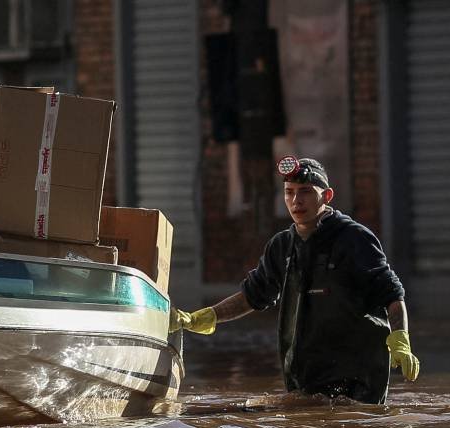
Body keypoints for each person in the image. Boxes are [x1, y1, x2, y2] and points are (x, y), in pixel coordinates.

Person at [170, 156, 419, 404]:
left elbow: (392, 295)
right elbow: (252, 296)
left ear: (327, 196)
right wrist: (202, 317)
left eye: (306, 192)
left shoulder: (354, 239)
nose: (296, 201)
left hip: (359, 375)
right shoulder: (282, 246)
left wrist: (401, 340)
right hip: (306, 374)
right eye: (289, 193)